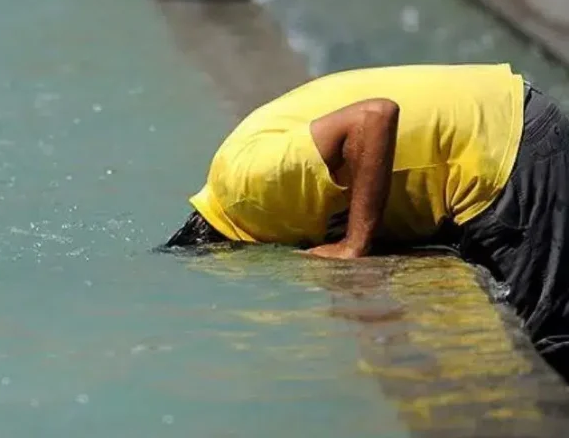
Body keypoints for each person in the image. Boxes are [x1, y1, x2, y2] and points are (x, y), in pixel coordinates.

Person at [165, 63, 569, 379]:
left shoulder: (247, 188)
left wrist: (354, 244)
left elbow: (374, 116)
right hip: (496, 127)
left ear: (220, 250)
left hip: (504, 148)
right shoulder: (242, 186)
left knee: (544, 344)